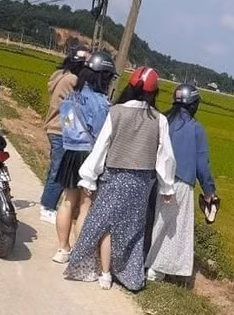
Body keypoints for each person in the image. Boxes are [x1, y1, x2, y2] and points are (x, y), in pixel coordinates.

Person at [64, 67, 176, 291]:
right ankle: (129, 275)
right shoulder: (160, 120)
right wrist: (167, 188)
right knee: (132, 230)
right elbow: (166, 157)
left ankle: (104, 273)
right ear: (154, 92)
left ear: (131, 87)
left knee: (104, 223)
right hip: (141, 183)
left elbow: (101, 147)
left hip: (114, 178)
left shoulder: (116, 112)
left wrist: (89, 178)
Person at [145, 83, 216, 282]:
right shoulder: (195, 128)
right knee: (171, 229)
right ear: (194, 105)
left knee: (153, 220)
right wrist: (209, 191)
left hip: (154, 177)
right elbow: (202, 163)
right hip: (181, 182)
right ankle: (156, 268)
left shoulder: (163, 120)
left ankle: (144, 258)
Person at [52, 50, 115, 264]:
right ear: (102, 76)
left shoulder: (72, 96)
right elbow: (101, 134)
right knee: (85, 205)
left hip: (70, 151)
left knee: (67, 201)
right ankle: (80, 255)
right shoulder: (101, 102)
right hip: (89, 154)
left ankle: (62, 249)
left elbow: (66, 123)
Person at [40, 47, 89, 224]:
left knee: (54, 168)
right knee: (59, 170)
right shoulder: (73, 80)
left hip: (54, 128)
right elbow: (77, 106)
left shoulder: (60, 74)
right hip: (61, 130)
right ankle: (47, 207)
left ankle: (47, 201)